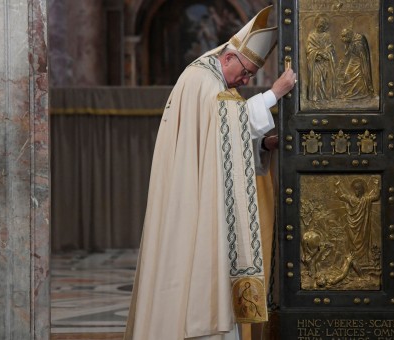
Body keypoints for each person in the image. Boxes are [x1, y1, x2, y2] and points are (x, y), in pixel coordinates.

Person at [123, 6, 296, 340]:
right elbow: (227, 124)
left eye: (250, 78)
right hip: (194, 201)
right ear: (229, 57)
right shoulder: (203, 80)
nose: (245, 81)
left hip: (201, 190)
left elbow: (222, 140)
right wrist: (273, 94)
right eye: (245, 73)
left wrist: (261, 147)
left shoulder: (211, 80)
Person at [336, 29, 375, 100]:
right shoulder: (351, 40)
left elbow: (361, 55)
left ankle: (360, 93)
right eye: (342, 37)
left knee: (358, 77)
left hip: (358, 62)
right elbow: (347, 53)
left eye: (344, 37)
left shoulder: (358, 41)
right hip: (352, 60)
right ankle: (349, 93)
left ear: (349, 35)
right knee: (347, 75)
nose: (343, 39)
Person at [306, 14, 336, 101]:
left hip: (326, 62)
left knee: (326, 81)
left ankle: (326, 98)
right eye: (320, 22)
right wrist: (316, 54)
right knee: (317, 82)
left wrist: (326, 53)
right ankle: (317, 98)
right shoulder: (312, 36)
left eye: (323, 23)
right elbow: (309, 49)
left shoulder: (327, 36)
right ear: (316, 23)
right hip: (316, 63)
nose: (321, 25)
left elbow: (330, 47)